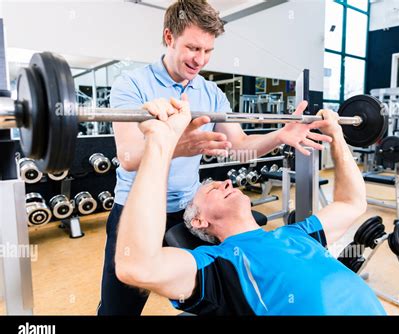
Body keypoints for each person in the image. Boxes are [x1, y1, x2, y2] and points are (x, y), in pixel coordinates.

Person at [99, 0, 332, 315]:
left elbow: (239, 146)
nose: (200, 59)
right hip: (136, 212)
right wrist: (177, 144)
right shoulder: (132, 84)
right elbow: (127, 156)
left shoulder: (211, 93)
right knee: (119, 309)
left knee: (218, 299)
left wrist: (279, 136)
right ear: (169, 37)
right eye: (193, 48)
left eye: (208, 51)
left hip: (191, 213)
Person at [114, 96, 387, 315]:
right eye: (211, 187)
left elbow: (352, 202)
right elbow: (137, 267)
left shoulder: (297, 233)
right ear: (199, 221)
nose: (227, 183)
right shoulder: (219, 267)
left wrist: (337, 136)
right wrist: (161, 143)